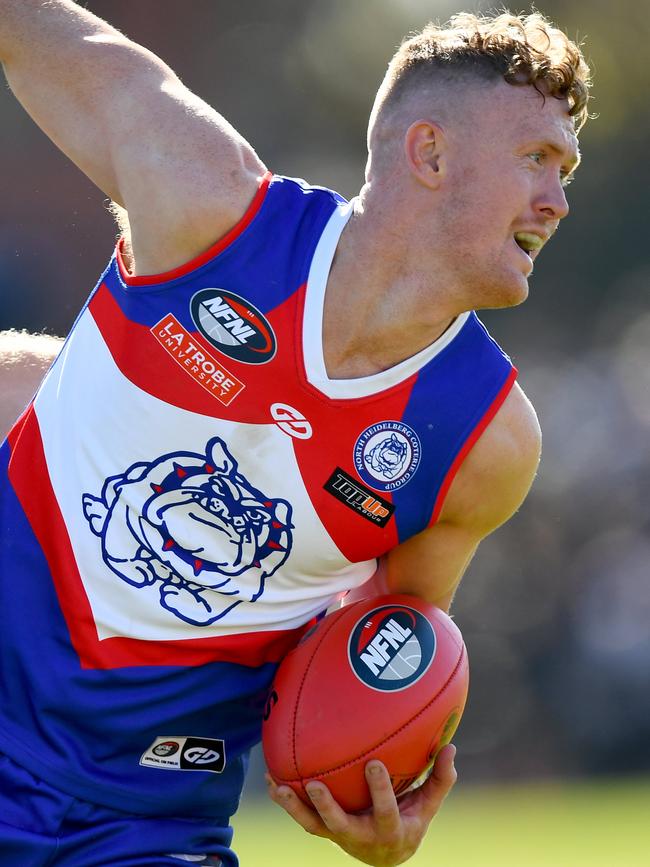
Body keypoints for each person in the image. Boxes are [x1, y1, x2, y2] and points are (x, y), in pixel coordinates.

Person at [0, 3, 591, 865]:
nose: (560, 200)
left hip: (144, 827)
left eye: (567, 170)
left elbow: (385, 646)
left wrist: (378, 777)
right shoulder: (207, 206)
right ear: (429, 152)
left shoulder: (486, 444)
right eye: (537, 159)